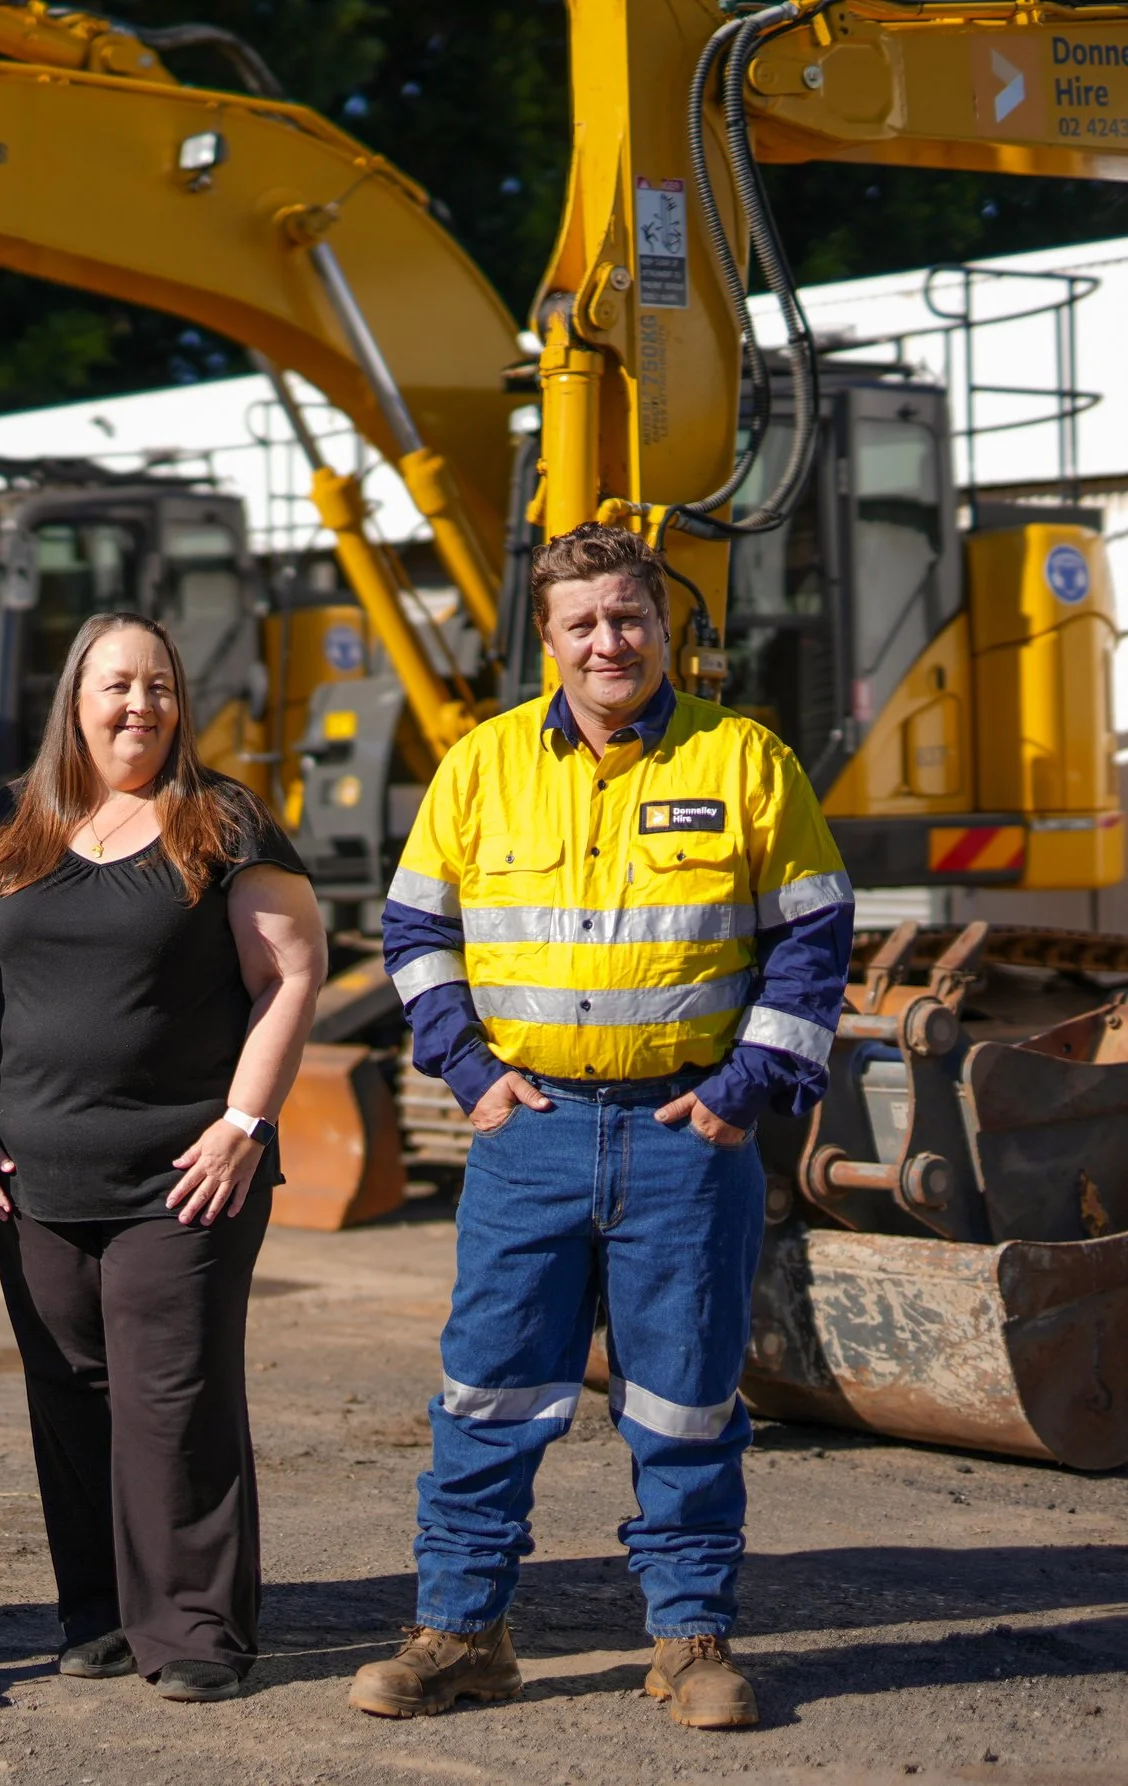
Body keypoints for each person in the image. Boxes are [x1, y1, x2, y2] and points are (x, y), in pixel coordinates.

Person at [355, 523, 852, 1731]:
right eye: (580, 622)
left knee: (684, 1401)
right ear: (545, 639)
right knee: (487, 1394)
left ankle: (690, 1642)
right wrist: (467, 1073)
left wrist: (741, 1094)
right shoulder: (478, 769)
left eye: (627, 616)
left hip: (686, 1141)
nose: (607, 641)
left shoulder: (744, 761)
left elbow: (814, 935)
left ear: (663, 625)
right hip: (527, 1133)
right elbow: (416, 937)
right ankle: (461, 1633)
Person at [0, 611, 328, 1703]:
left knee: (173, 1396)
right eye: (117, 685)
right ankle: (99, 1612)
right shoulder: (6, 825)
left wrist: (244, 1123)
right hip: (31, 1174)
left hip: (184, 1171)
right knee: (69, 1391)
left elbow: (293, 971)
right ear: (76, 698)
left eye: (158, 686)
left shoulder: (221, 818)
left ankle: (197, 1629)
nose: (139, 706)